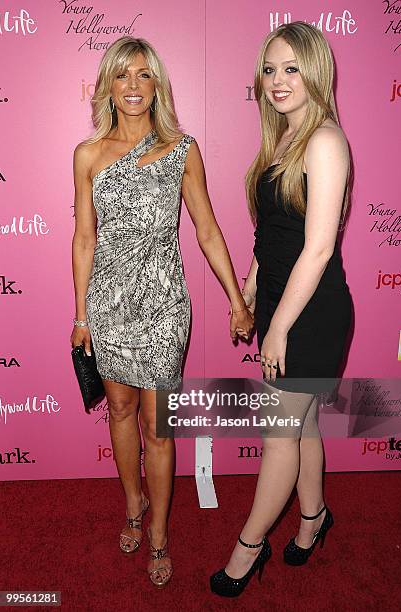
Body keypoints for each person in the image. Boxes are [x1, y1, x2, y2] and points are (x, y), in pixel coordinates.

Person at [70, 36, 253, 588]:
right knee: (119, 412)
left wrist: (237, 300)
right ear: (107, 85)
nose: (132, 86)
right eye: (122, 75)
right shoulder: (88, 154)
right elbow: (84, 238)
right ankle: (133, 506)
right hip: (108, 303)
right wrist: (81, 315)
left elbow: (206, 228)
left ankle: (159, 536)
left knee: (158, 426)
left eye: (143, 75)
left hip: (164, 305)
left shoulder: (182, 148)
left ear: (157, 86)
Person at [210, 21, 352, 597]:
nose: (277, 80)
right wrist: (248, 288)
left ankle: (249, 547)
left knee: (277, 437)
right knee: (304, 422)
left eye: (291, 67)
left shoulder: (324, 141)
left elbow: (317, 248)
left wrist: (279, 329)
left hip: (310, 312)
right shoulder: (283, 140)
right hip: (280, 299)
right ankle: (314, 518)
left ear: (315, 70)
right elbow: (274, 233)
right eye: (269, 69)